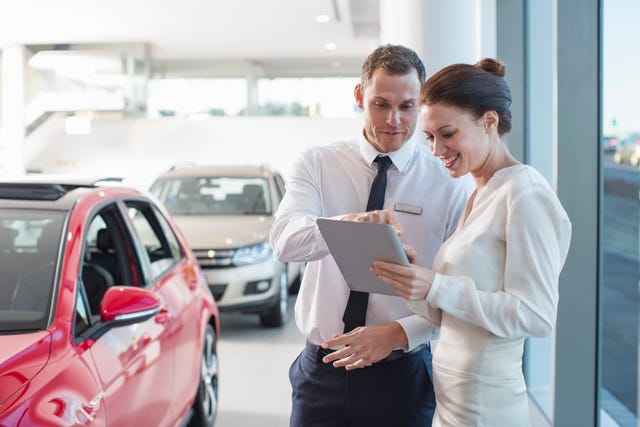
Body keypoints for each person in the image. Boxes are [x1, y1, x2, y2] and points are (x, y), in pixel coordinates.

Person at [270, 44, 471, 427]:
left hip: (402, 374)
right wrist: (351, 225)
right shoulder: (318, 162)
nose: (394, 120)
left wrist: (396, 335)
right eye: (381, 104)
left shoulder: (448, 183)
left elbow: (457, 291)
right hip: (322, 370)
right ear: (360, 96)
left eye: (407, 106)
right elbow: (284, 241)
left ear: (421, 103)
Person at [371, 58, 572, 426]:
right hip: (453, 399)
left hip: (486, 406)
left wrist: (437, 285)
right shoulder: (480, 191)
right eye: (429, 137)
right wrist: (414, 282)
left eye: (447, 134)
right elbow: (458, 313)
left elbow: (536, 316)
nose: (436, 150)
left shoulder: (525, 193)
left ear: (490, 121)